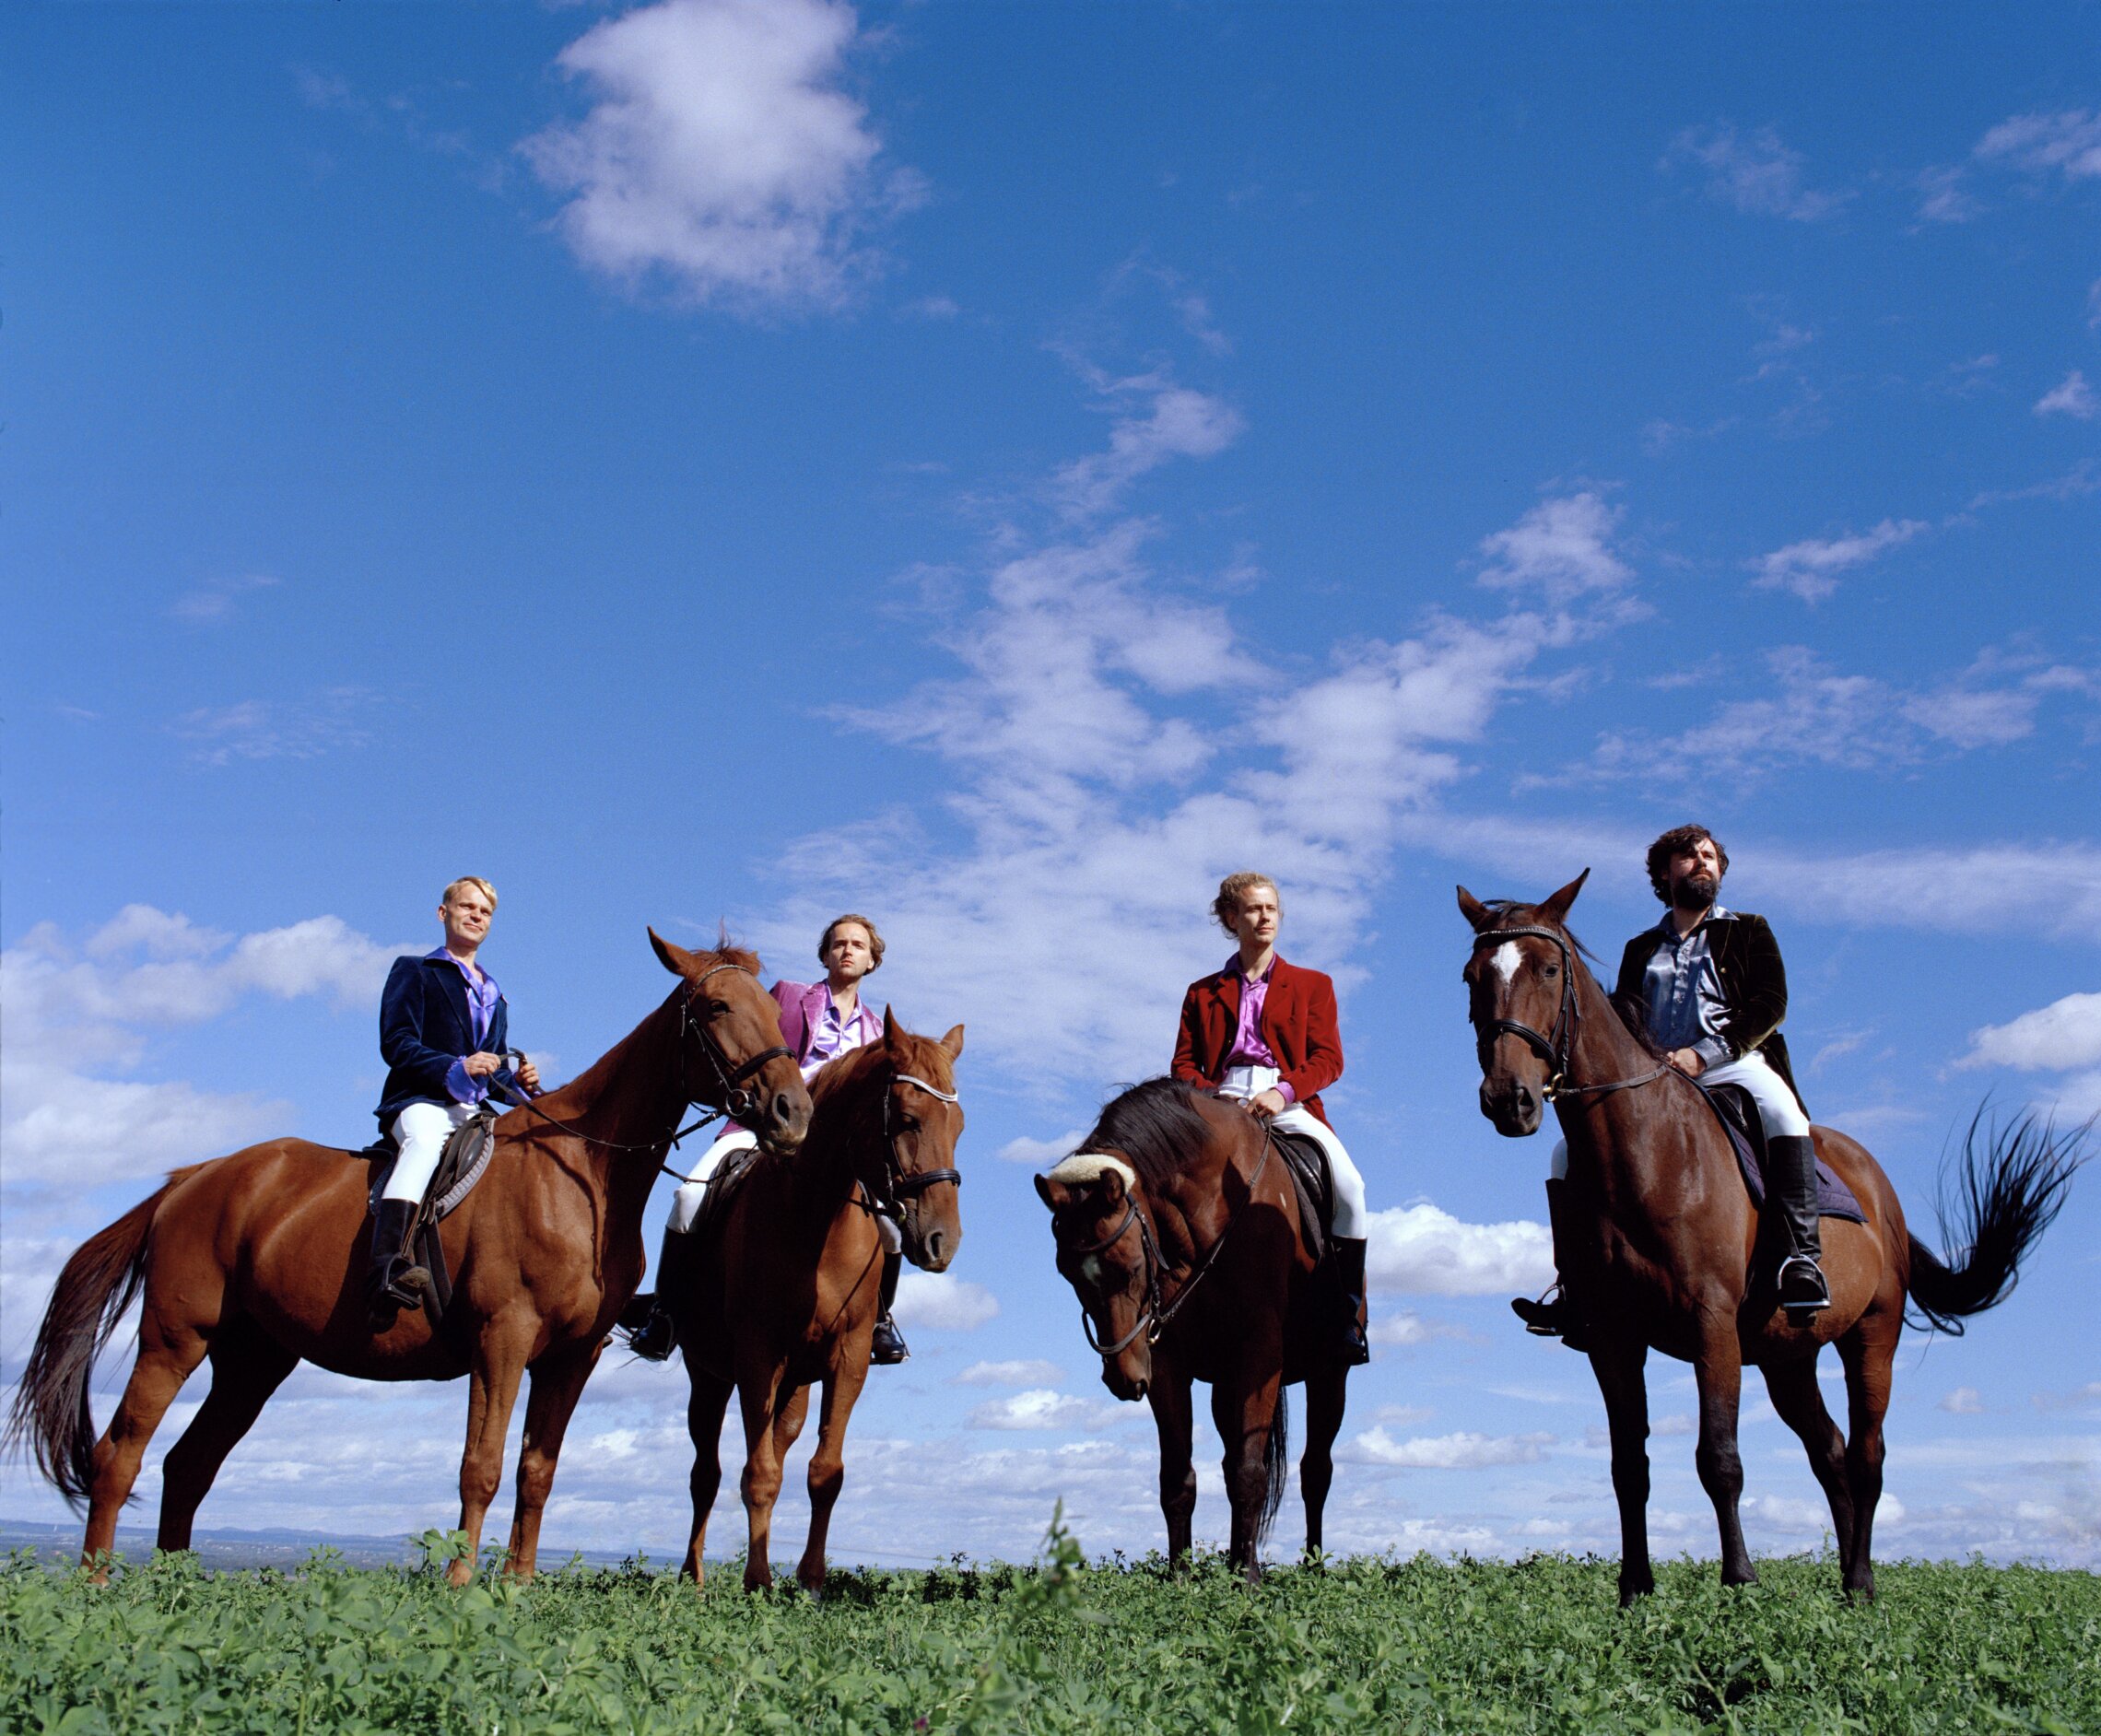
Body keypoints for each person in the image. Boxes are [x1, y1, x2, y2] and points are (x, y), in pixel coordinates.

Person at [1512, 824, 1825, 1347]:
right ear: (1663, 873)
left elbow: (1770, 1005)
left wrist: (1704, 1055)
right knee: (1564, 1155)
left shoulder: (1749, 929)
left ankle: (1802, 1259)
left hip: (1733, 1060)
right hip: (1655, 1075)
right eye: (1688, 856)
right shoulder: (1640, 947)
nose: (1702, 863)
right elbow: (1619, 1022)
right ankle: (1574, 1287)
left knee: (1785, 1115)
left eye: (1709, 856)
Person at [626, 914, 911, 1364]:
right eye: (838, 943)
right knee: (687, 1199)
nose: (848, 951)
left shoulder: (878, 1033)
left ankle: (879, 1320)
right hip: (763, 1127)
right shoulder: (789, 996)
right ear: (825, 954)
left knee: (891, 1229)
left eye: (859, 945)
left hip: (839, 1155)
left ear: (873, 961)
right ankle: (664, 1313)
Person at [1172, 872, 1371, 1364]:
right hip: (1218, 1104)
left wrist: (1283, 1093)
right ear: (1230, 918)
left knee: (1352, 1190)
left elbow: (1329, 1060)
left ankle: (1346, 1316)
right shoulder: (1201, 992)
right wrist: (1214, 1099)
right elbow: (1182, 1065)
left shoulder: (1313, 984)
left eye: (1272, 909)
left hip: (1289, 1102)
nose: (1265, 917)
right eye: (1254, 909)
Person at [370, 876, 540, 1328]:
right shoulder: (415, 970)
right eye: (467, 907)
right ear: (443, 913)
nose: (476, 916)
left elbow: (496, 1074)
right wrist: (457, 1066)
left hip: (473, 1112)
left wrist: (521, 1083)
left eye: (484, 912)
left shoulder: (495, 994)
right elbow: (397, 1043)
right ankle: (387, 1264)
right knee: (424, 1143)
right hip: (420, 1100)